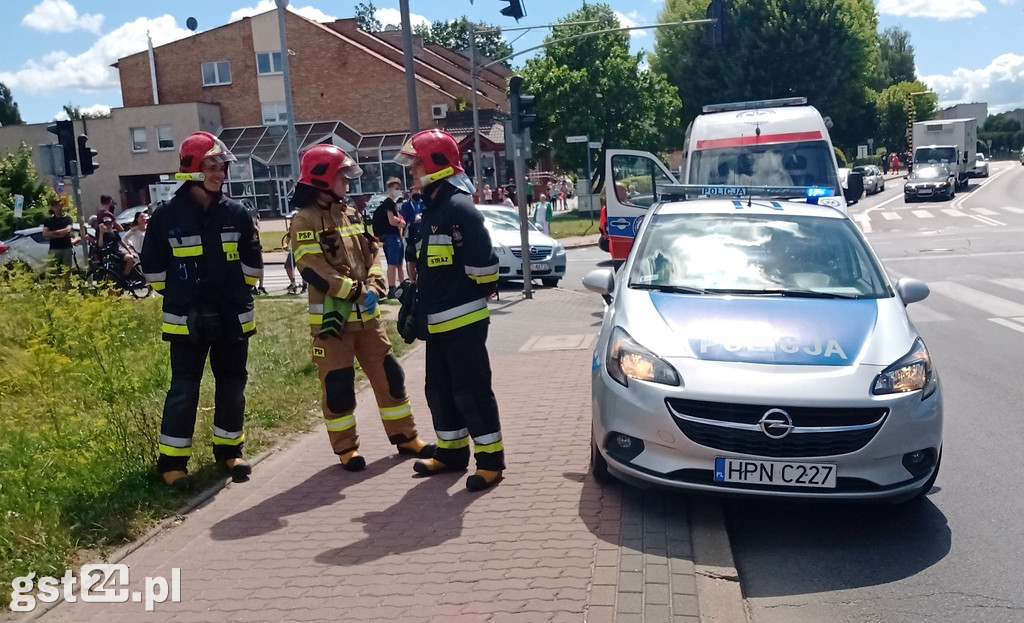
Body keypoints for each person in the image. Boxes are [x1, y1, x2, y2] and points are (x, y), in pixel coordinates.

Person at [289, 144, 434, 471]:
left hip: (368, 321)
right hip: (333, 325)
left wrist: (376, 284)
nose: (347, 181)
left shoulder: (351, 213)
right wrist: (356, 292)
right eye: (342, 175)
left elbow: (373, 254)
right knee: (338, 388)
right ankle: (346, 449)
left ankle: (406, 436)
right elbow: (312, 268)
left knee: (390, 377)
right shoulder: (304, 220)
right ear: (323, 178)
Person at [140, 131, 263, 491]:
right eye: (212, 165)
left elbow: (253, 267)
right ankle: (173, 464)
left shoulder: (237, 214)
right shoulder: (166, 216)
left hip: (232, 317)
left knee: (232, 385)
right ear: (192, 168)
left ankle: (230, 450)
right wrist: (187, 300)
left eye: (222, 166)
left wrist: (228, 296)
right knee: (184, 389)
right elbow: (154, 271)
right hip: (185, 321)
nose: (220, 173)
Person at [394, 129, 505, 492]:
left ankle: (490, 461)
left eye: (417, 164)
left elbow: (485, 267)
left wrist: (463, 290)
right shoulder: (433, 210)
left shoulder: (459, 209)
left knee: (471, 391)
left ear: (437, 166)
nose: (412, 171)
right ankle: (452, 452)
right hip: (437, 323)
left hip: (464, 321)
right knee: (438, 390)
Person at [372, 177, 406, 298]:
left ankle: (403, 285)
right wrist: (400, 223)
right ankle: (392, 288)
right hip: (391, 236)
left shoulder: (394, 204)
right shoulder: (389, 204)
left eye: (399, 188)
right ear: (390, 189)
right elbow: (392, 221)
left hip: (395, 235)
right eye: (396, 188)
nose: (398, 191)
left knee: (399, 264)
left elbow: (399, 219)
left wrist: (400, 221)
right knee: (392, 263)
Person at [41, 196, 77, 273]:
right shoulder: (48, 220)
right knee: (52, 272)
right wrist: (61, 233)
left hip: (66, 248)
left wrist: (53, 232)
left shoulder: (68, 219)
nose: (59, 207)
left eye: (60, 205)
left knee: (66, 272)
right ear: (52, 208)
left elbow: (67, 230)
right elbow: (45, 234)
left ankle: (66, 285)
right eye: (56, 206)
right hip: (54, 249)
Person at [400, 192, 425, 283]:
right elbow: (406, 217)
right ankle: (412, 280)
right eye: (414, 191)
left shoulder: (424, 203)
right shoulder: (406, 205)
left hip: (423, 233)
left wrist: (421, 217)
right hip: (410, 235)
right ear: (410, 194)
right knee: (411, 258)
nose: (416, 193)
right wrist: (417, 217)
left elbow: (427, 214)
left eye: (418, 191)